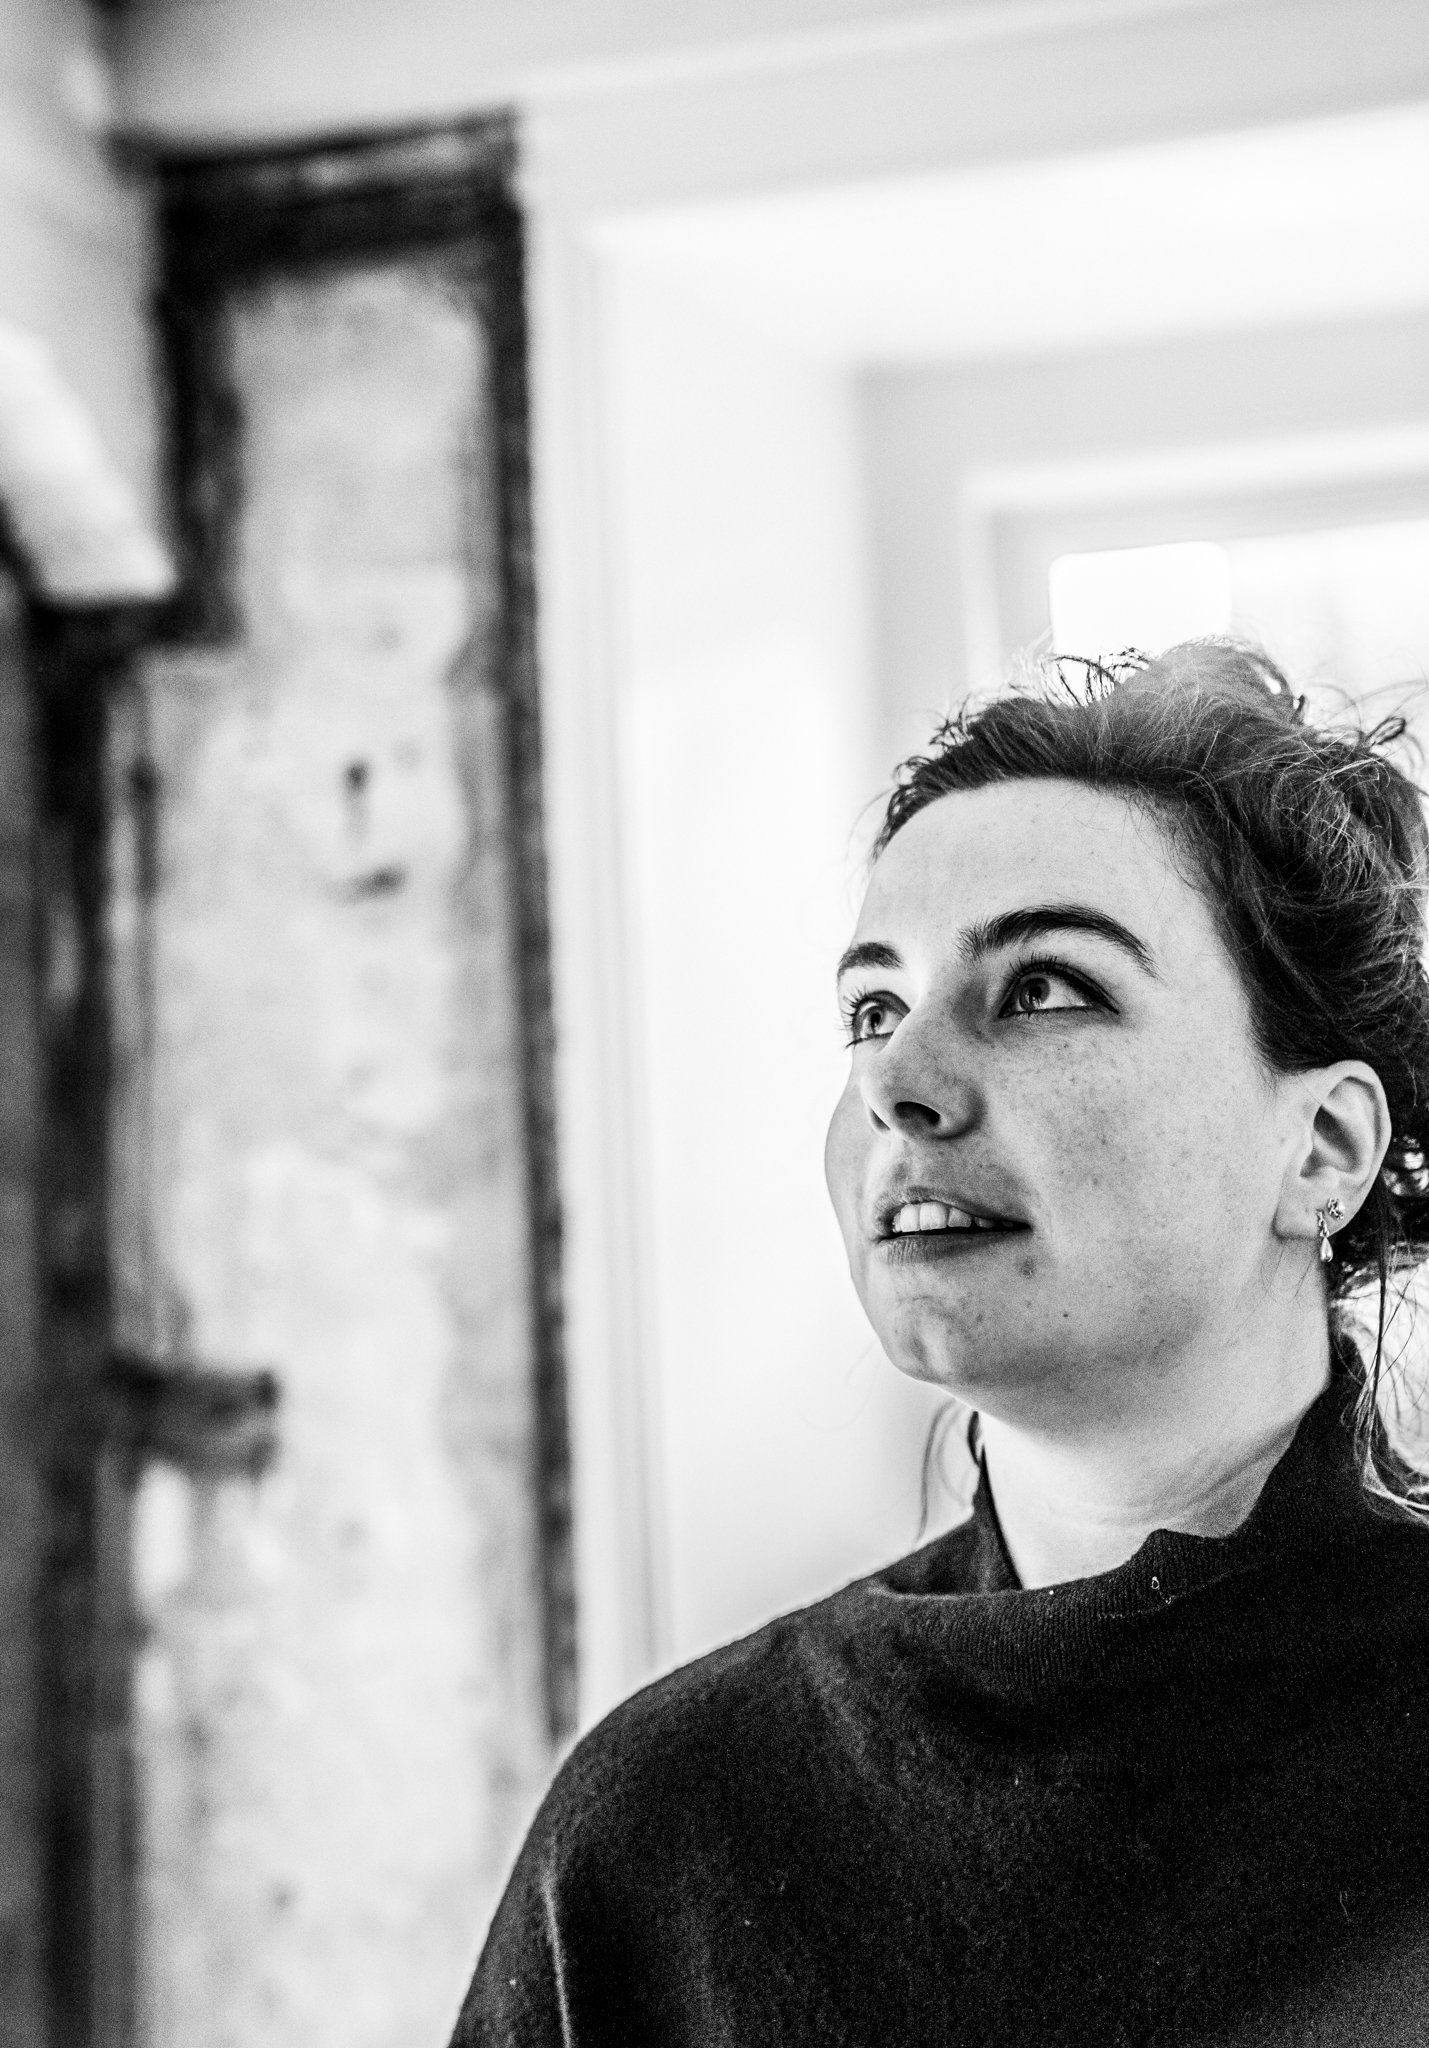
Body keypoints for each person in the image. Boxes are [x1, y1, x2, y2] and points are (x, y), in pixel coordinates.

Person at [449, 640, 1429, 2046]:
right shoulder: (670, 1824)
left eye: (1044, 989)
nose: (895, 1082)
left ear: (1322, 1144)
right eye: (872, 1011)